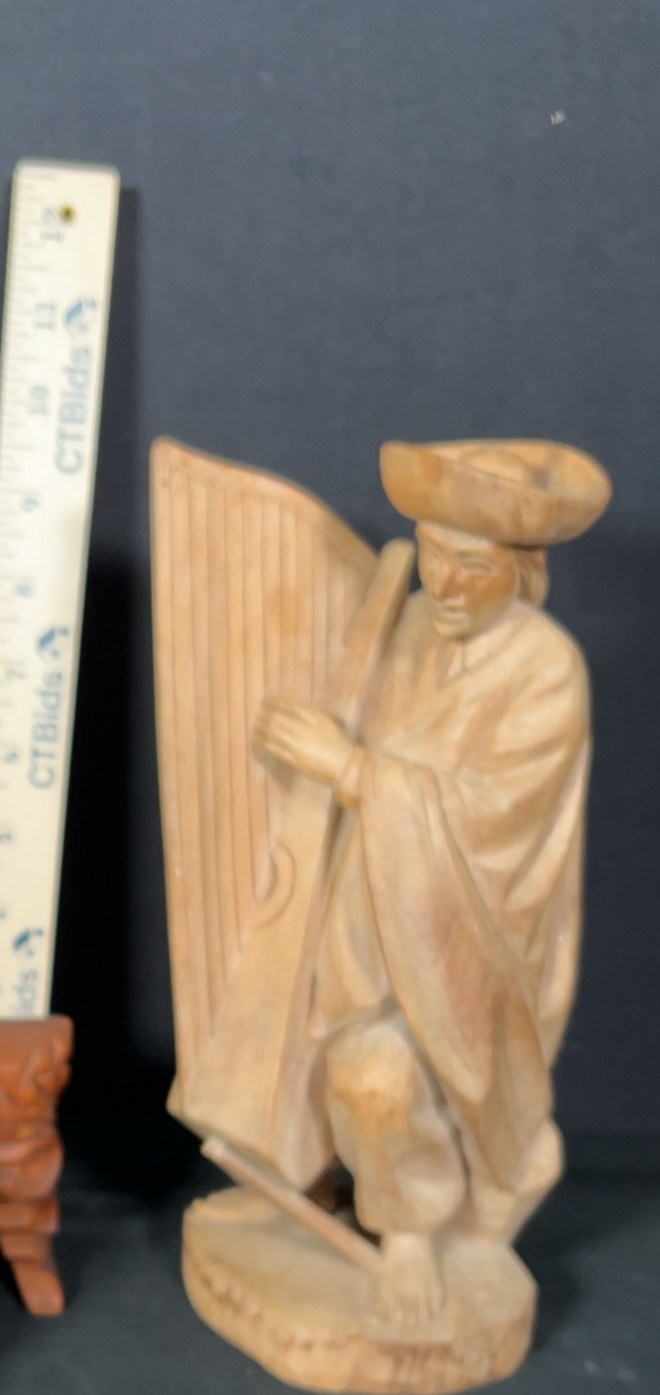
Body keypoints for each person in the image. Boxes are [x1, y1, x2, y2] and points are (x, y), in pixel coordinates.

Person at [252, 439, 605, 1331]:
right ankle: (411, 1194)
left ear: (523, 573)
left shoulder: (546, 671)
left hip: (468, 938)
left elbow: (492, 819)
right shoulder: (409, 624)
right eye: (433, 555)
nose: (443, 585)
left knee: (377, 1080)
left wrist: (349, 769)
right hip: (373, 914)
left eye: (473, 568)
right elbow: (360, 728)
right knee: (358, 1081)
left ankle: (426, 1221)